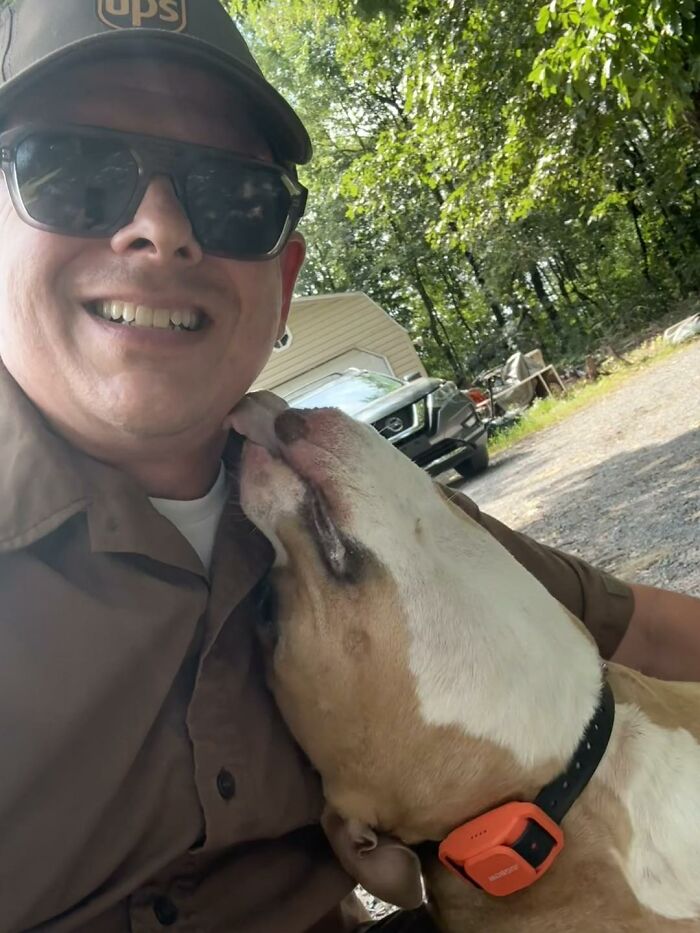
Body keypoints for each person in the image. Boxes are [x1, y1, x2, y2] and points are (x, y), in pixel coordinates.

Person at [0, 1, 697, 931]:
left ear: (283, 280)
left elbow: (632, 630)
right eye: (72, 171)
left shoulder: (349, 498)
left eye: (229, 193)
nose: (159, 229)